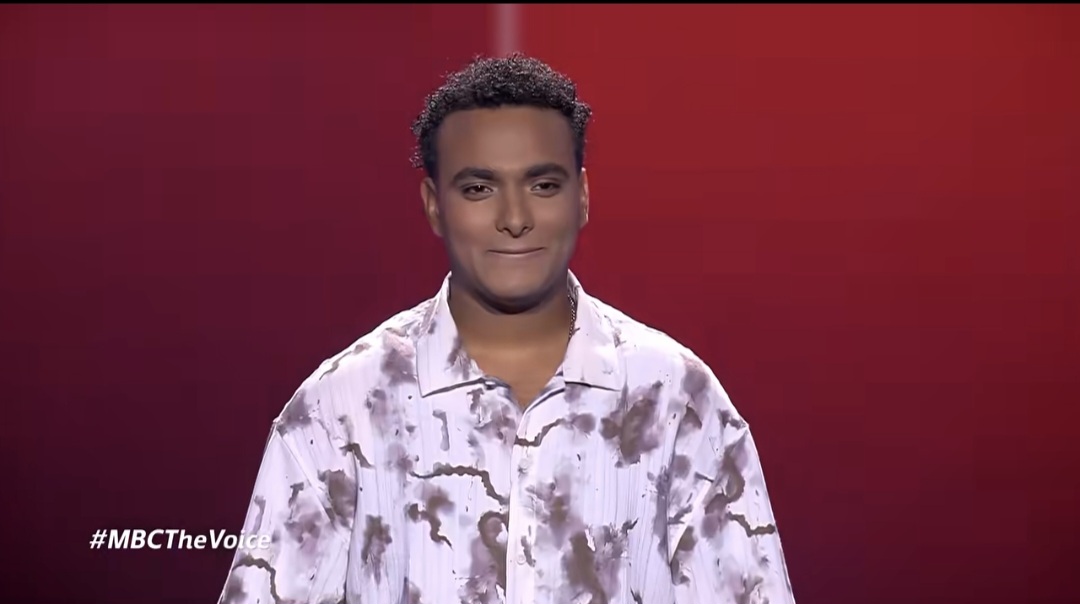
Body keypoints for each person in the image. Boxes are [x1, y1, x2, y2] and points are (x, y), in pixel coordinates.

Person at [217, 53, 796, 604]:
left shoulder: (677, 399)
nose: (515, 218)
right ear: (433, 204)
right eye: (479, 188)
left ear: (583, 197)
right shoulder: (338, 408)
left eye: (543, 185)